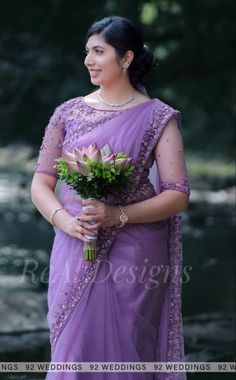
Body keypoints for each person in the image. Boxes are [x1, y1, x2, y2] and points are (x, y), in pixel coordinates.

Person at [31, 16, 190, 380]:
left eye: (99, 51)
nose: (89, 59)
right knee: (73, 349)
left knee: (129, 352)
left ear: (127, 57)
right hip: (73, 244)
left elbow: (178, 196)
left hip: (135, 254)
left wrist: (116, 214)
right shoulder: (68, 113)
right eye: (87, 51)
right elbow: (40, 183)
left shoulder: (159, 118)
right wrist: (68, 221)